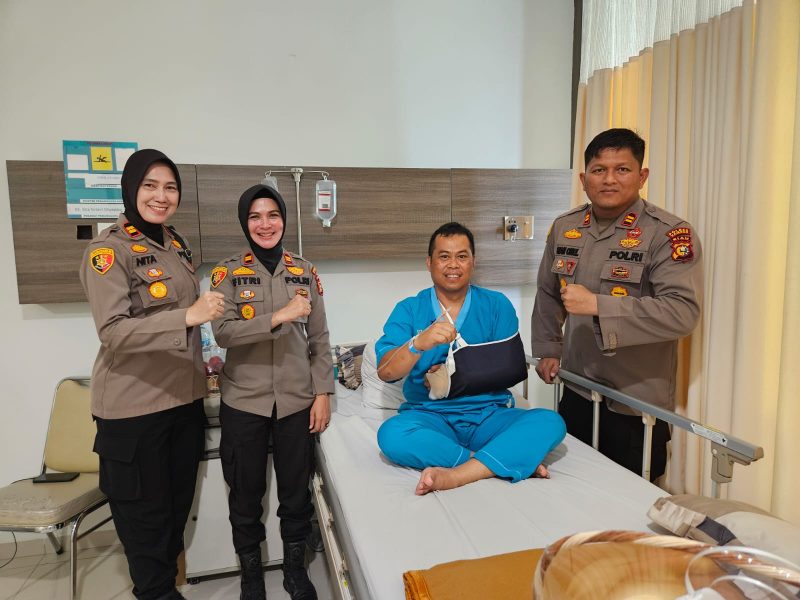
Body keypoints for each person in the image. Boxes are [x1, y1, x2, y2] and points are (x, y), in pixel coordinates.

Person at [80, 149, 225, 600]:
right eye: (150, 186)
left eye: (170, 187)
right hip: (134, 410)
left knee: (173, 517)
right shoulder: (107, 251)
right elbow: (113, 332)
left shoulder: (174, 243)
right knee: (145, 526)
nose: (161, 196)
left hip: (183, 401)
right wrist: (188, 316)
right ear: (130, 189)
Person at [532, 128, 703, 481]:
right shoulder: (565, 227)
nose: (609, 179)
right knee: (567, 487)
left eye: (622, 169)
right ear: (584, 179)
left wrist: (598, 305)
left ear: (642, 176)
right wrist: (548, 348)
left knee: (630, 501)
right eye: (599, 170)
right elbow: (548, 292)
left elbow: (681, 313)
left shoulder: (667, 233)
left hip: (635, 404)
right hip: (577, 388)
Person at [376, 222, 566, 496]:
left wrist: (452, 379)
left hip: (489, 415)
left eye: (462, 256)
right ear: (429, 263)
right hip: (431, 418)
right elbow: (386, 372)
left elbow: (508, 369)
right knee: (391, 435)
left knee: (550, 422)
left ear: (473, 262)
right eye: (444, 256)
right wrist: (418, 343)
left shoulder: (496, 305)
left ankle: (458, 474)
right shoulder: (409, 310)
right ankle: (496, 461)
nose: (453, 265)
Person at [211, 184, 333, 600]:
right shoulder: (227, 273)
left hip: (296, 400)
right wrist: (279, 316)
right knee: (245, 497)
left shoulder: (304, 271)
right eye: (255, 217)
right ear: (245, 223)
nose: (265, 224)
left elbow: (320, 339)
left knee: (296, 495)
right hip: (244, 401)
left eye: (273, 215)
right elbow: (224, 334)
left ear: (283, 219)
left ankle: (295, 572)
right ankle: (251, 578)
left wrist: (323, 393)